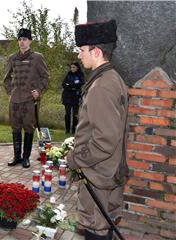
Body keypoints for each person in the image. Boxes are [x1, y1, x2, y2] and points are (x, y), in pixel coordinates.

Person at [66, 19, 129, 240]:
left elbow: (104, 141)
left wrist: (75, 158)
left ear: (97, 51)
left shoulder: (102, 86)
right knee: (104, 226)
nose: (79, 55)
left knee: (96, 230)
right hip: (106, 172)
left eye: (82, 50)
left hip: (98, 176)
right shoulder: (111, 78)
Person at [4, 28, 49, 168]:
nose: (22, 42)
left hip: (29, 100)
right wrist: (10, 92)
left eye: (24, 39)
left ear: (30, 41)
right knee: (15, 128)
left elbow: (45, 77)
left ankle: (26, 157)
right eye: (20, 39)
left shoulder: (37, 57)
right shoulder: (12, 58)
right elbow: (6, 79)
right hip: (15, 100)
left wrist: (39, 90)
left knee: (29, 128)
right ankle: (17, 156)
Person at [61, 61, 84, 134]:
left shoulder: (80, 75)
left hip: (76, 97)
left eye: (74, 67)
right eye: (71, 67)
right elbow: (63, 84)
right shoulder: (68, 74)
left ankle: (74, 130)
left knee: (75, 114)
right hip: (67, 96)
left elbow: (80, 84)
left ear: (77, 68)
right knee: (67, 114)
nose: (72, 69)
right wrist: (72, 86)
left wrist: (69, 85)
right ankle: (67, 130)